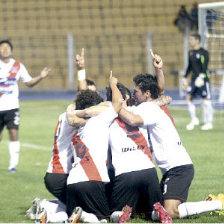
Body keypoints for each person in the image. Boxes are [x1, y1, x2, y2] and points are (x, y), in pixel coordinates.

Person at [118, 73, 224, 219]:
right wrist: (159, 69)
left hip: (178, 168)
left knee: (170, 212)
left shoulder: (150, 109)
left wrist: (115, 106)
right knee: (154, 214)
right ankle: (212, 202)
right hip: (172, 169)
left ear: (147, 93)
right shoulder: (150, 106)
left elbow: (133, 119)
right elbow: (157, 92)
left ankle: (218, 203)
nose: (133, 95)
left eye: (136, 92)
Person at [66, 73, 123, 222]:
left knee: (73, 217)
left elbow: (82, 113)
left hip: (72, 182)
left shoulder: (78, 129)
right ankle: (83, 215)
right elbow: (117, 103)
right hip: (91, 179)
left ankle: (52, 213)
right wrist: (113, 84)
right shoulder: (101, 119)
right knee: (103, 220)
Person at [0, 40, 51, 172]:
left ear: (11, 51)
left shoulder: (17, 66)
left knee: (13, 133)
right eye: (2, 48)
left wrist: (40, 76)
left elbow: (28, 82)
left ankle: (12, 166)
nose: (5, 50)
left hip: (12, 107)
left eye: (7, 48)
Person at [183, 33, 214, 131]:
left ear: (197, 40)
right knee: (188, 98)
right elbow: (189, 66)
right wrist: (185, 77)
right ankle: (194, 119)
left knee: (206, 101)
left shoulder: (204, 52)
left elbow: (205, 66)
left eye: (191, 39)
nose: (190, 41)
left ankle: (209, 122)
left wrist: (201, 76)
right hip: (193, 80)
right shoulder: (190, 52)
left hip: (203, 80)